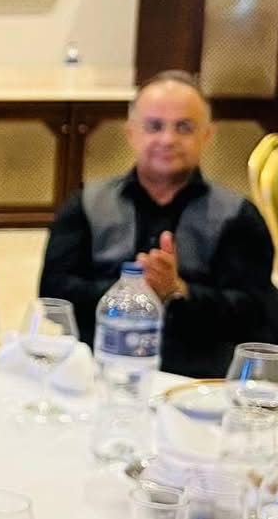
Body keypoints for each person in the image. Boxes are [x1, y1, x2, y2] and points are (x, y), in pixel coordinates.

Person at [39, 70, 277, 378]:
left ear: (207, 135)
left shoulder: (237, 217)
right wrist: (134, 294)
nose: (167, 139)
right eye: (154, 126)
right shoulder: (86, 205)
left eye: (184, 127)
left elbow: (257, 313)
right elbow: (53, 294)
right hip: (97, 372)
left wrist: (179, 291)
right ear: (131, 133)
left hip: (200, 378)